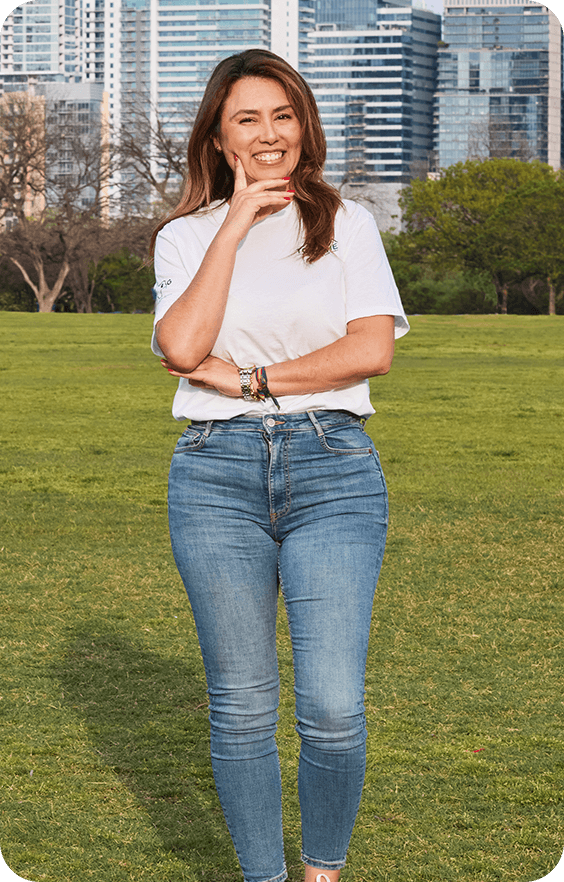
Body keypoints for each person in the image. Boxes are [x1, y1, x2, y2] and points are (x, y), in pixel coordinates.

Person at [150, 49, 409, 882]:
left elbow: (369, 351)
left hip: (333, 468)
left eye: (283, 115)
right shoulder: (185, 236)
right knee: (241, 708)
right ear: (219, 140)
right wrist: (234, 224)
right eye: (247, 120)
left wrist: (249, 379)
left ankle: (322, 872)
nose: (269, 134)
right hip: (213, 476)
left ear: (304, 127)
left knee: (332, 706)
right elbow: (183, 347)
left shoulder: (347, 224)